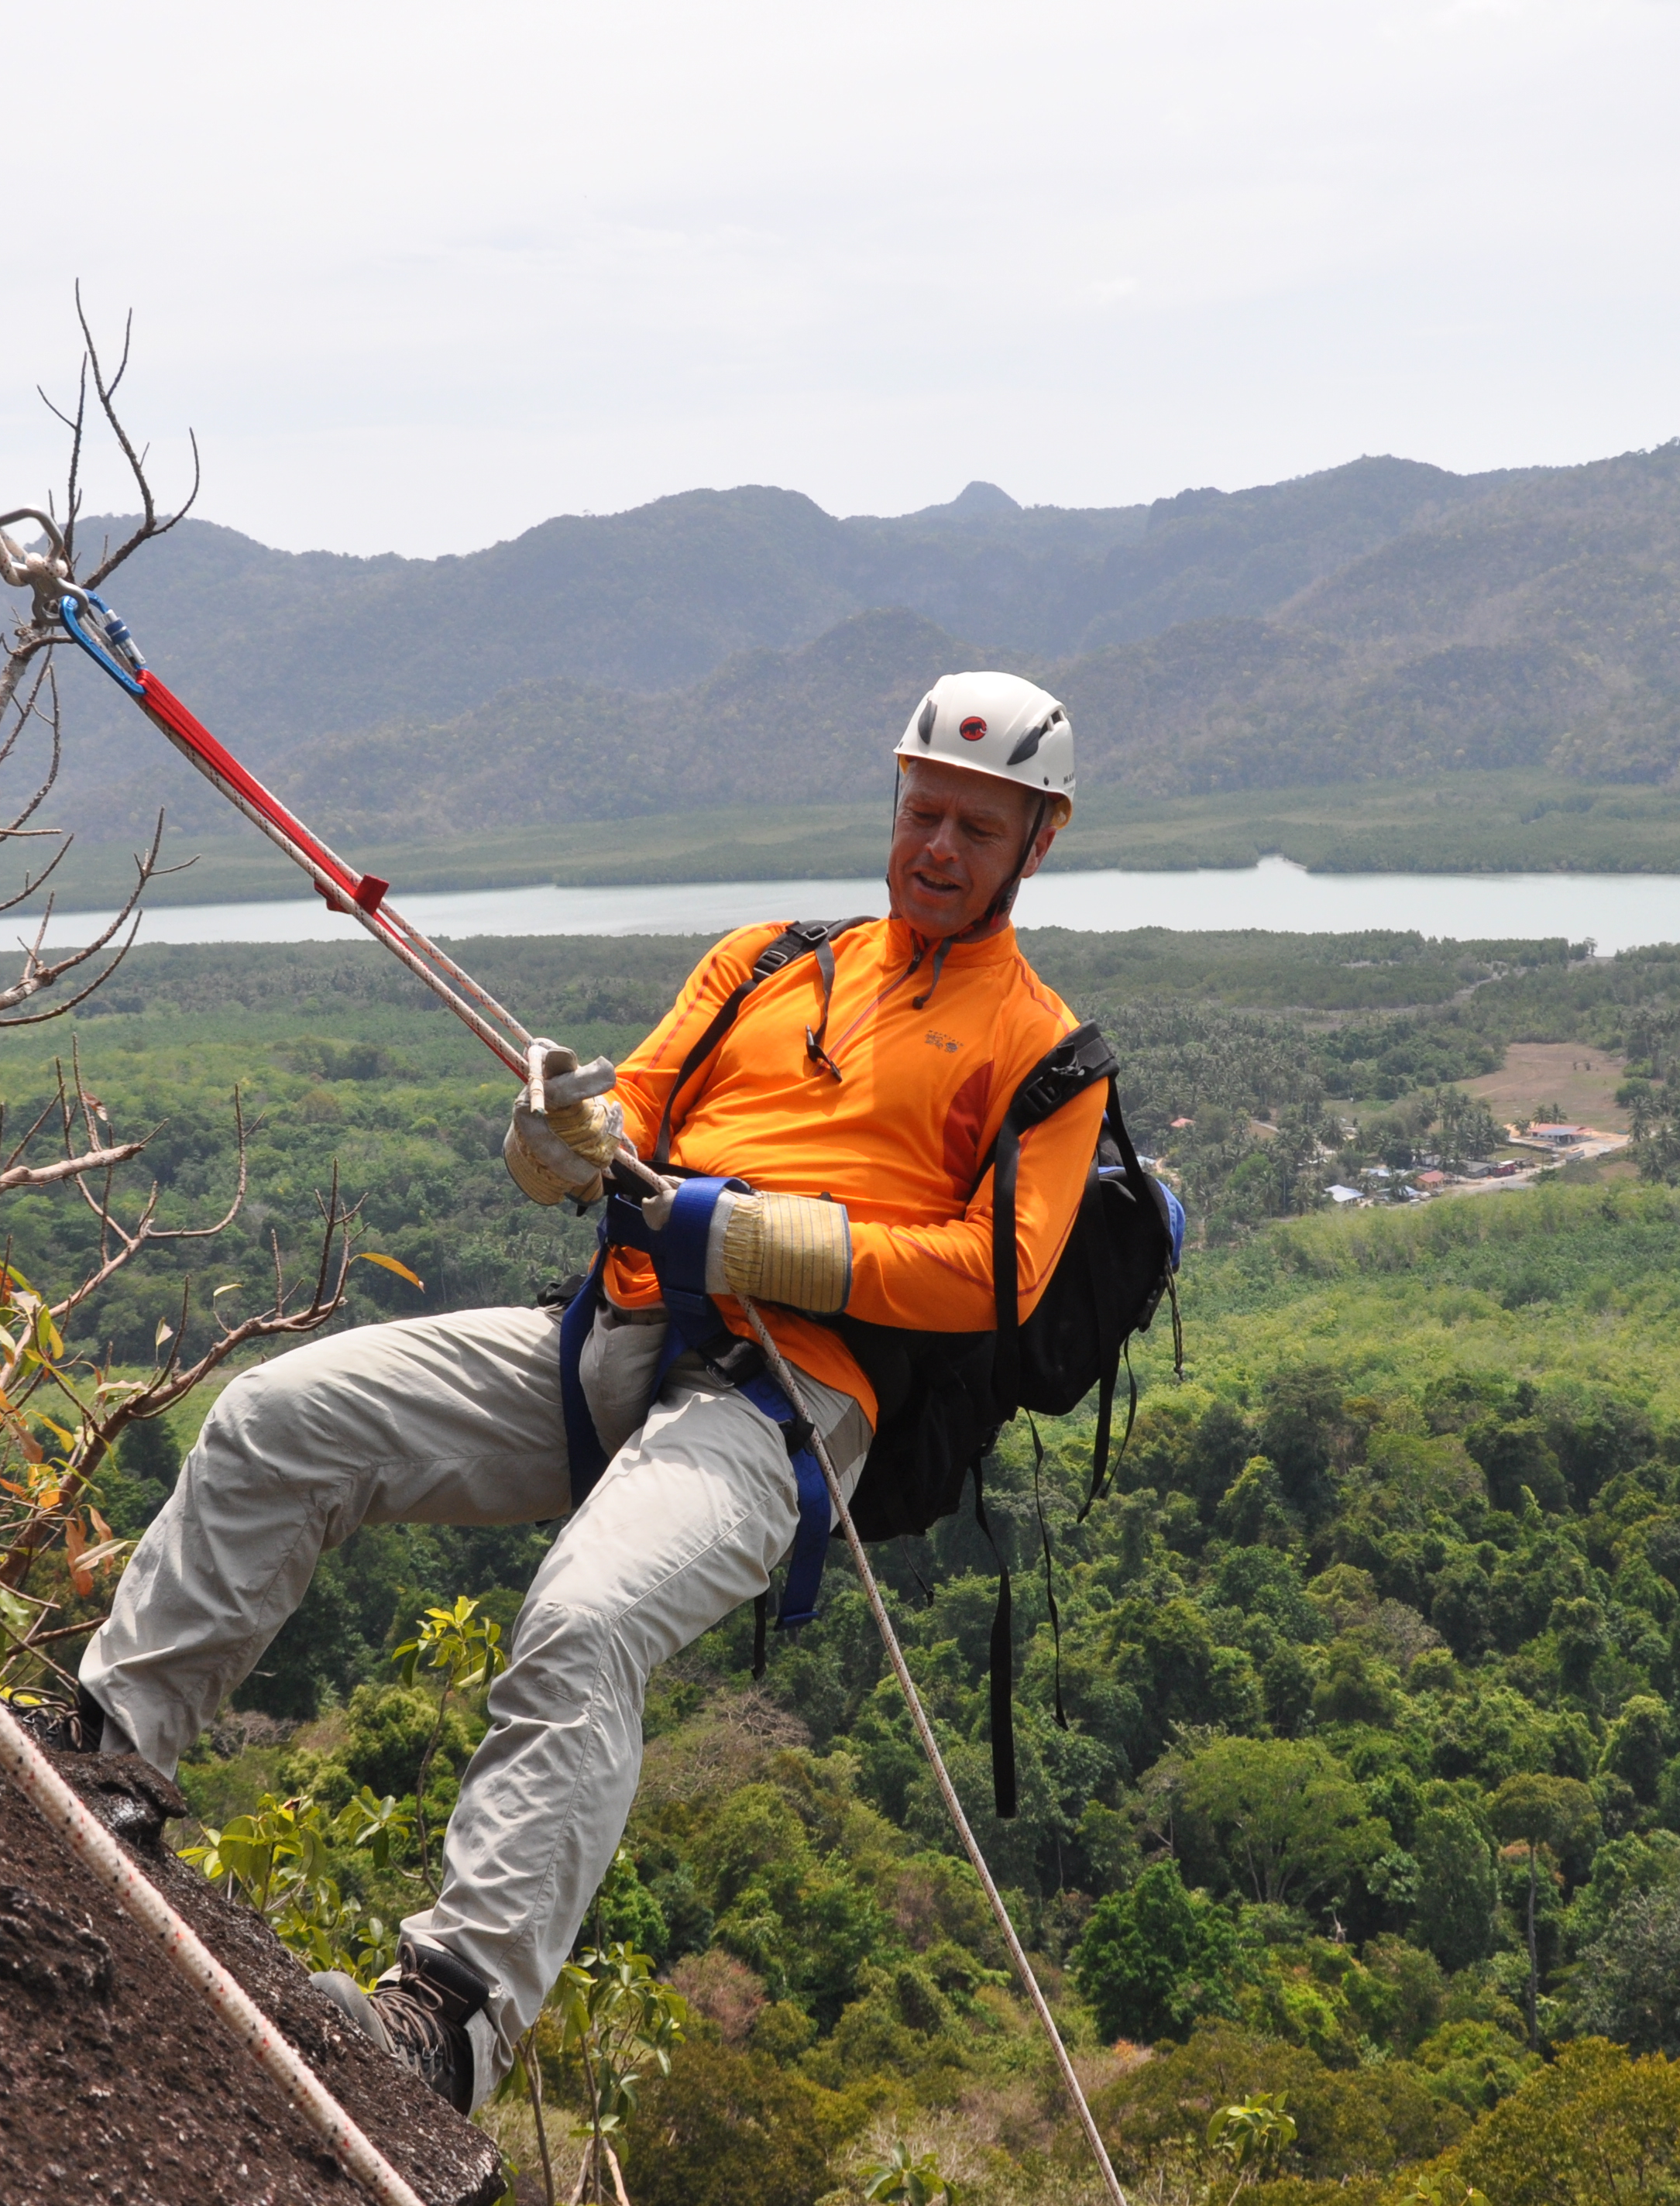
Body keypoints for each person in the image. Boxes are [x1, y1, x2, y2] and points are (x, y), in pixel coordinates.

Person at [65, 671, 1106, 2112]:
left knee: (586, 1616)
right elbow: (621, 1127)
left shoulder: (1046, 1051)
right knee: (274, 1422)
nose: (937, 848)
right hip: (610, 1341)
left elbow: (998, 1275)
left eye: (976, 830)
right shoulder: (765, 962)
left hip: (782, 1403)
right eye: (923, 811)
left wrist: (743, 1234)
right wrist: (554, 1134)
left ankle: (453, 2017)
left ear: (1036, 842)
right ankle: (109, 1754)